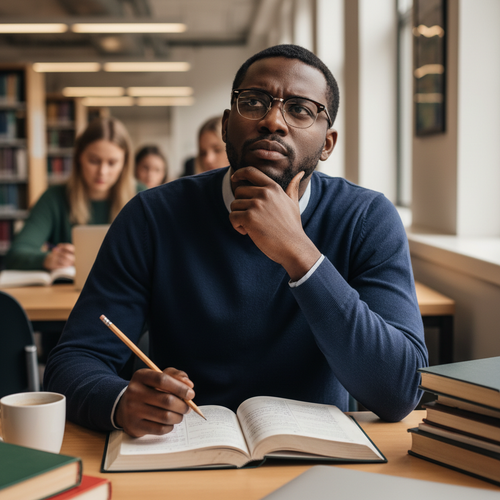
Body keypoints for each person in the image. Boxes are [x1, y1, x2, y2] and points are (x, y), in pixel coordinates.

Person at [44, 44, 428, 437]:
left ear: (327, 144)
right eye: (255, 102)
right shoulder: (151, 216)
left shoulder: (366, 218)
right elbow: (72, 360)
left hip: (317, 462)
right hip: (185, 452)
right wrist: (119, 400)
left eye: (299, 109)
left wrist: (298, 251)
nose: (273, 121)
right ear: (227, 125)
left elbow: (399, 391)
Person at [5, 117, 144, 271]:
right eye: (94, 161)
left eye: (112, 163)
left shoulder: (142, 197)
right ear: (79, 157)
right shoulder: (54, 198)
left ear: (124, 163)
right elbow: (16, 254)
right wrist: (48, 259)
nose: (102, 172)